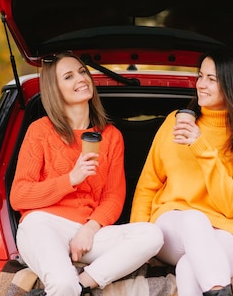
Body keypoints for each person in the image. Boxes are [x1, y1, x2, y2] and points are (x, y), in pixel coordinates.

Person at [10, 51, 163, 296]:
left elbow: (113, 198)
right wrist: (70, 179)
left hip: (88, 232)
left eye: (82, 72)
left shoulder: (111, 136)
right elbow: (19, 195)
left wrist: (89, 230)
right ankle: (69, 286)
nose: (81, 79)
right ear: (55, 89)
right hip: (43, 225)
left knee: (152, 235)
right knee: (61, 284)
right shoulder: (39, 131)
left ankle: (83, 285)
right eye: (68, 77)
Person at [130, 47, 233, 296]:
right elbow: (148, 185)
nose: (200, 84)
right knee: (194, 219)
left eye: (211, 79)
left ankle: (214, 287)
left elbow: (232, 204)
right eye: (200, 76)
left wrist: (201, 147)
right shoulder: (176, 122)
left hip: (231, 230)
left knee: (189, 268)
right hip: (172, 225)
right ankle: (220, 290)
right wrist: (137, 240)